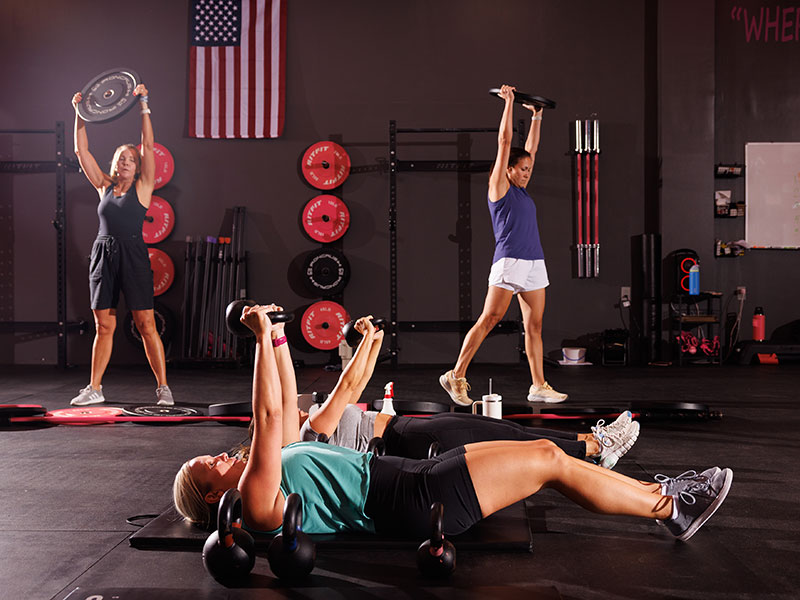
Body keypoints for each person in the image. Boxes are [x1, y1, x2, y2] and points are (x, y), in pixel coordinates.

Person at [173, 305, 732, 543]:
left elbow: (285, 400)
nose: (223, 456)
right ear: (212, 497)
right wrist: (260, 338)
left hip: (415, 477)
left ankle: (664, 497)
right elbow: (270, 414)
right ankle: (669, 506)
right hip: (414, 501)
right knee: (548, 462)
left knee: (541, 450)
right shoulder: (257, 500)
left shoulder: (270, 476)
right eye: (210, 467)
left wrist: (274, 334)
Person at [245, 315, 639, 469]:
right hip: (407, 441)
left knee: (509, 433)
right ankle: (595, 447)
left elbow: (358, 382)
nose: (293, 409)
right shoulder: (310, 432)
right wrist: (273, 336)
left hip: (408, 431)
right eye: (288, 414)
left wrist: (375, 339)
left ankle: (592, 442)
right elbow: (346, 384)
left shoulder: (311, 428)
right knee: (507, 436)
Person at [440, 84, 565, 406]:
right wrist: (508, 103)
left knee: (534, 325)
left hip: (535, 262)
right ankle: (456, 375)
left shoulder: (523, 191)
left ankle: (538, 384)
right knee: (490, 319)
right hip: (510, 260)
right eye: (522, 169)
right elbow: (505, 141)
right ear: (508, 169)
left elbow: (531, 150)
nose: (527, 173)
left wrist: (537, 117)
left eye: (528, 170)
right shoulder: (499, 187)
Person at [69, 84, 173, 407]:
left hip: (133, 254)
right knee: (104, 324)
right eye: (122, 158)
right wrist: (80, 113)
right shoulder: (103, 186)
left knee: (145, 324)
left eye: (131, 159)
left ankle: (163, 389)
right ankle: (95, 388)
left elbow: (149, 143)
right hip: (103, 254)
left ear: (138, 165)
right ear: (115, 164)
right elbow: (81, 152)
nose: (126, 162)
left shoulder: (143, 187)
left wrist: (143, 104)